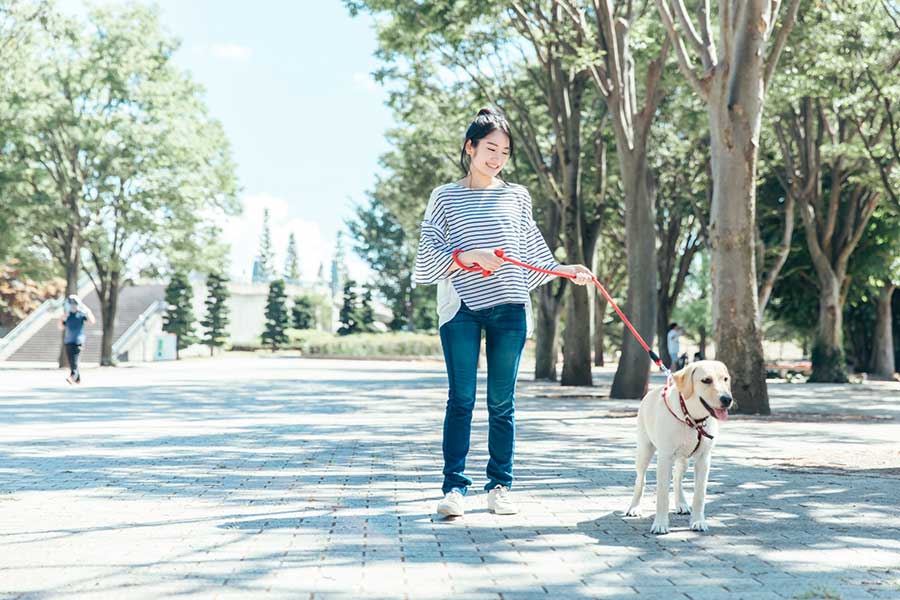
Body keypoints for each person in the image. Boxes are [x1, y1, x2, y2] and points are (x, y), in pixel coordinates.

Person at [414, 108, 594, 517]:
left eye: (505, 152)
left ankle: (499, 486)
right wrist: (467, 256)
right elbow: (428, 254)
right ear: (470, 148)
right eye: (490, 149)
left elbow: (530, 250)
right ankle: (454, 489)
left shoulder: (517, 196)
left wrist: (565, 269)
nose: (497, 158)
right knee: (461, 399)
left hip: (509, 306)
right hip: (461, 306)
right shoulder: (444, 196)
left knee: (502, 402)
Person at [58, 294, 96, 384]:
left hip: (78, 341)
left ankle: (72, 377)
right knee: (72, 361)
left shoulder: (81, 314)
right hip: (68, 341)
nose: (73, 306)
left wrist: (87, 311)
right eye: (71, 304)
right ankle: (77, 379)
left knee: (74, 361)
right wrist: (62, 317)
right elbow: (60, 327)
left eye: (74, 304)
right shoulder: (67, 315)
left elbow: (92, 321)